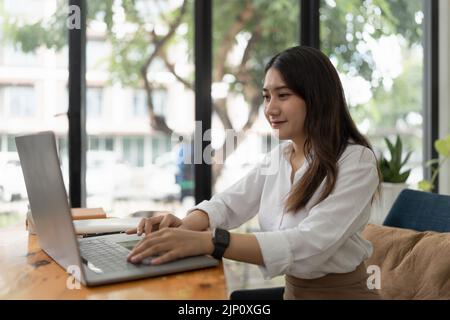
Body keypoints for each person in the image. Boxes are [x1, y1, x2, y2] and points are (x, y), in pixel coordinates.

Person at [126, 46, 381, 300]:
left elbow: (311, 244)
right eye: (267, 97)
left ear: (317, 97)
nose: (270, 109)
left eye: (283, 95)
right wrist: (183, 227)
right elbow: (228, 204)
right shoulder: (278, 158)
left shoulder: (356, 160)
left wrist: (211, 242)